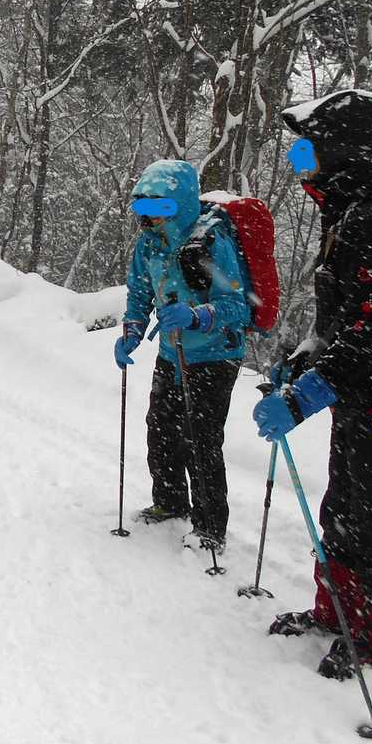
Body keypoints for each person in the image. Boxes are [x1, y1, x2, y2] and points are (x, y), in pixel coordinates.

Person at [254, 88, 372, 679]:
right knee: (343, 507)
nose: (301, 164)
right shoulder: (351, 213)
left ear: (345, 151)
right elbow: (342, 320)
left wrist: (308, 395)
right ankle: (334, 612)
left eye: (308, 152)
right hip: (365, 395)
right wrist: (302, 364)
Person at [114, 159, 250, 553]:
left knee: (201, 440)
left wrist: (196, 315)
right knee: (161, 428)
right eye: (144, 208)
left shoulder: (210, 243)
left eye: (160, 208)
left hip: (215, 355)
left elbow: (237, 306)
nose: (150, 218)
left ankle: (210, 528)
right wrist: (132, 330)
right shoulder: (149, 245)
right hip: (172, 353)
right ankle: (170, 501)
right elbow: (140, 292)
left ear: (181, 203)